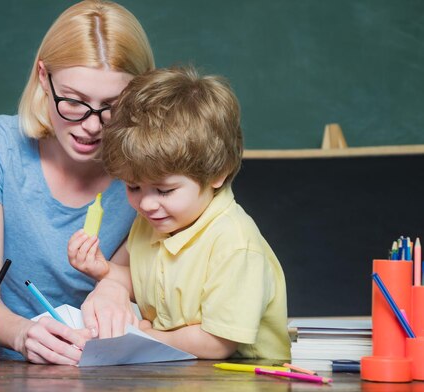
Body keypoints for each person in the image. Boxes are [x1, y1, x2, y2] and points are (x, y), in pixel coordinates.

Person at [0, 0, 154, 365]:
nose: (92, 125)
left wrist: (113, 287)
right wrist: (22, 334)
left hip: (110, 369)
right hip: (10, 369)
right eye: (74, 101)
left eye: (113, 105)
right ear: (43, 77)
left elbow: (156, 279)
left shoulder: (149, 169)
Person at [68, 66, 291, 360]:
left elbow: (216, 343)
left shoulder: (235, 243)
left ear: (217, 174)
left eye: (164, 191)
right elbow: (147, 281)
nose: (146, 204)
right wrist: (104, 271)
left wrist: (144, 336)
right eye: (133, 187)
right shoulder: (154, 222)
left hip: (245, 378)